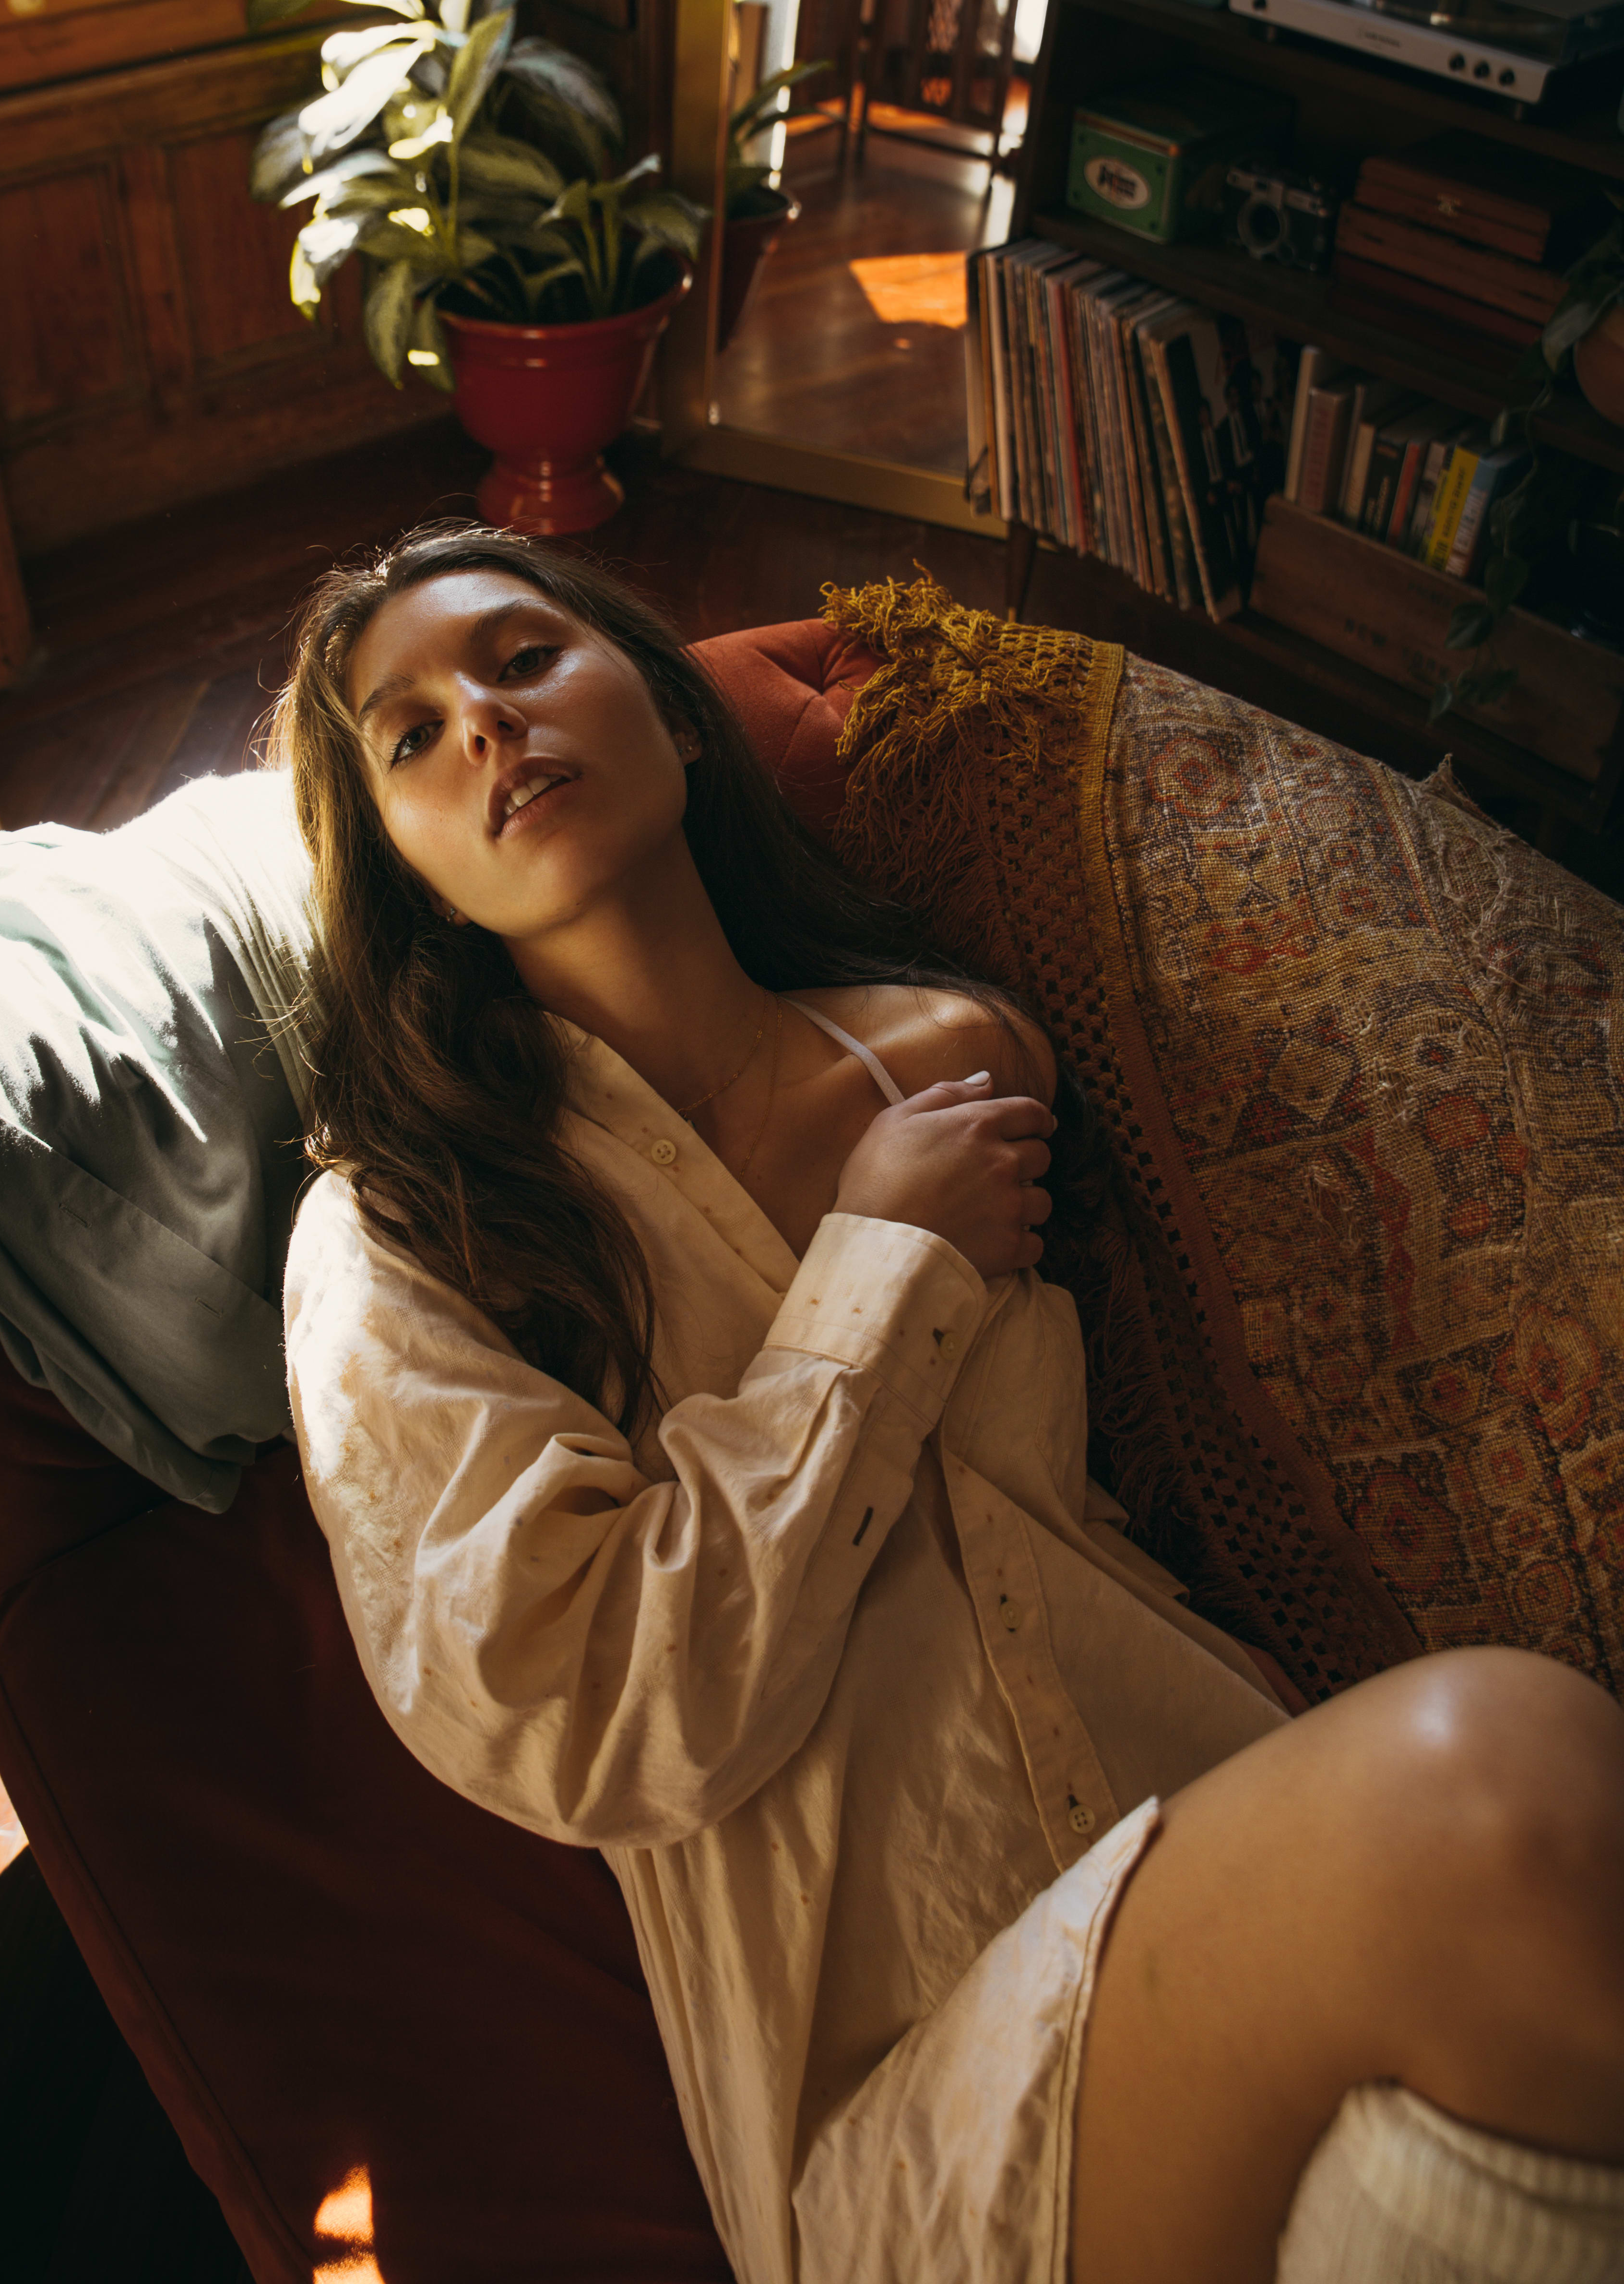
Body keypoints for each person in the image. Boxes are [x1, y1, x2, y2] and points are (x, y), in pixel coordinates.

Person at [274, 521, 1624, 2284]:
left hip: (1239, 1838)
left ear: (674, 720)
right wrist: (877, 1274)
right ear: (414, 874)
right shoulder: (399, 1232)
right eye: (408, 733)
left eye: (523, 659)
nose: (482, 723)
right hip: (907, 2114)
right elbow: (593, 1712)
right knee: (1504, 1776)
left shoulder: (956, 1049)